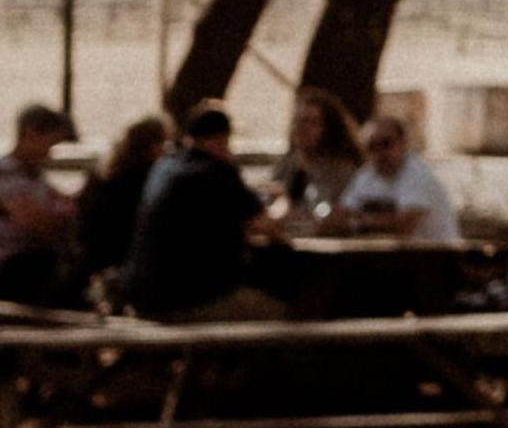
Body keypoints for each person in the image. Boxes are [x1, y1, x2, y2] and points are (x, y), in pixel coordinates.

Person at [123, 107, 296, 323]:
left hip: (143, 299)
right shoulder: (218, 172)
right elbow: (269, 226)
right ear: (221, 139)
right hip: (189, 301)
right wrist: (285, 200)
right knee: (288, 312)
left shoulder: (164, 167)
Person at [334, 110, 463, 244]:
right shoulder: (367, 174)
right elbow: (339, 216)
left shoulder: (418, 174)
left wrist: (358, 222)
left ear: (403, 143)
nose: (379, 153)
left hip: (437, 257)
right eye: (372, 147)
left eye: (386, 144)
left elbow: (404, 225)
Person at [74, 117, 168, 298]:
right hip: (123, 260)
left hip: (92, 259)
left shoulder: (103, 174)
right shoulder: (149, 179)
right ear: (155, 146)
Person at [0, 104, 75, 306]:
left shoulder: (35, 174)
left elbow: (67, 207)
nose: (50, 154)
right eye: (50, 144)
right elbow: (35, 224)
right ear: (31, 134)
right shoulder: (6, 175)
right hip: (13, 267)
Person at [275, 85, 362, 222]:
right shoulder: (286, 165)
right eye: (299, 120)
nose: (302, 128)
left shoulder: (341, 170)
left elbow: (340, 211)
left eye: (311, 122)